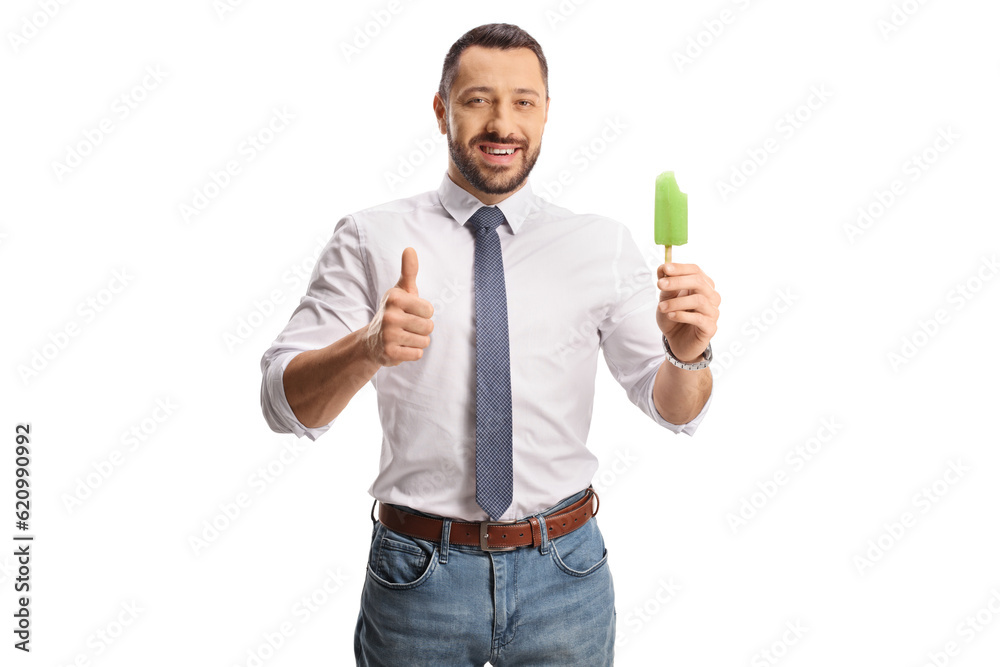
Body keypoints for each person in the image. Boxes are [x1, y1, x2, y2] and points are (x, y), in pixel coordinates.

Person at [259, 22, 720, 666]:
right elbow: (284, 406)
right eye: (478, 99)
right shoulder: (371, 236)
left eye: (523, 102)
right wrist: (366, 348)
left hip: (567, 572)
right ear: (442, 110)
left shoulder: (600, 244)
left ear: (547, 113)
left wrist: (687, 352)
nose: (502, 123)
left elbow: (679, 408)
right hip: (419, 578)